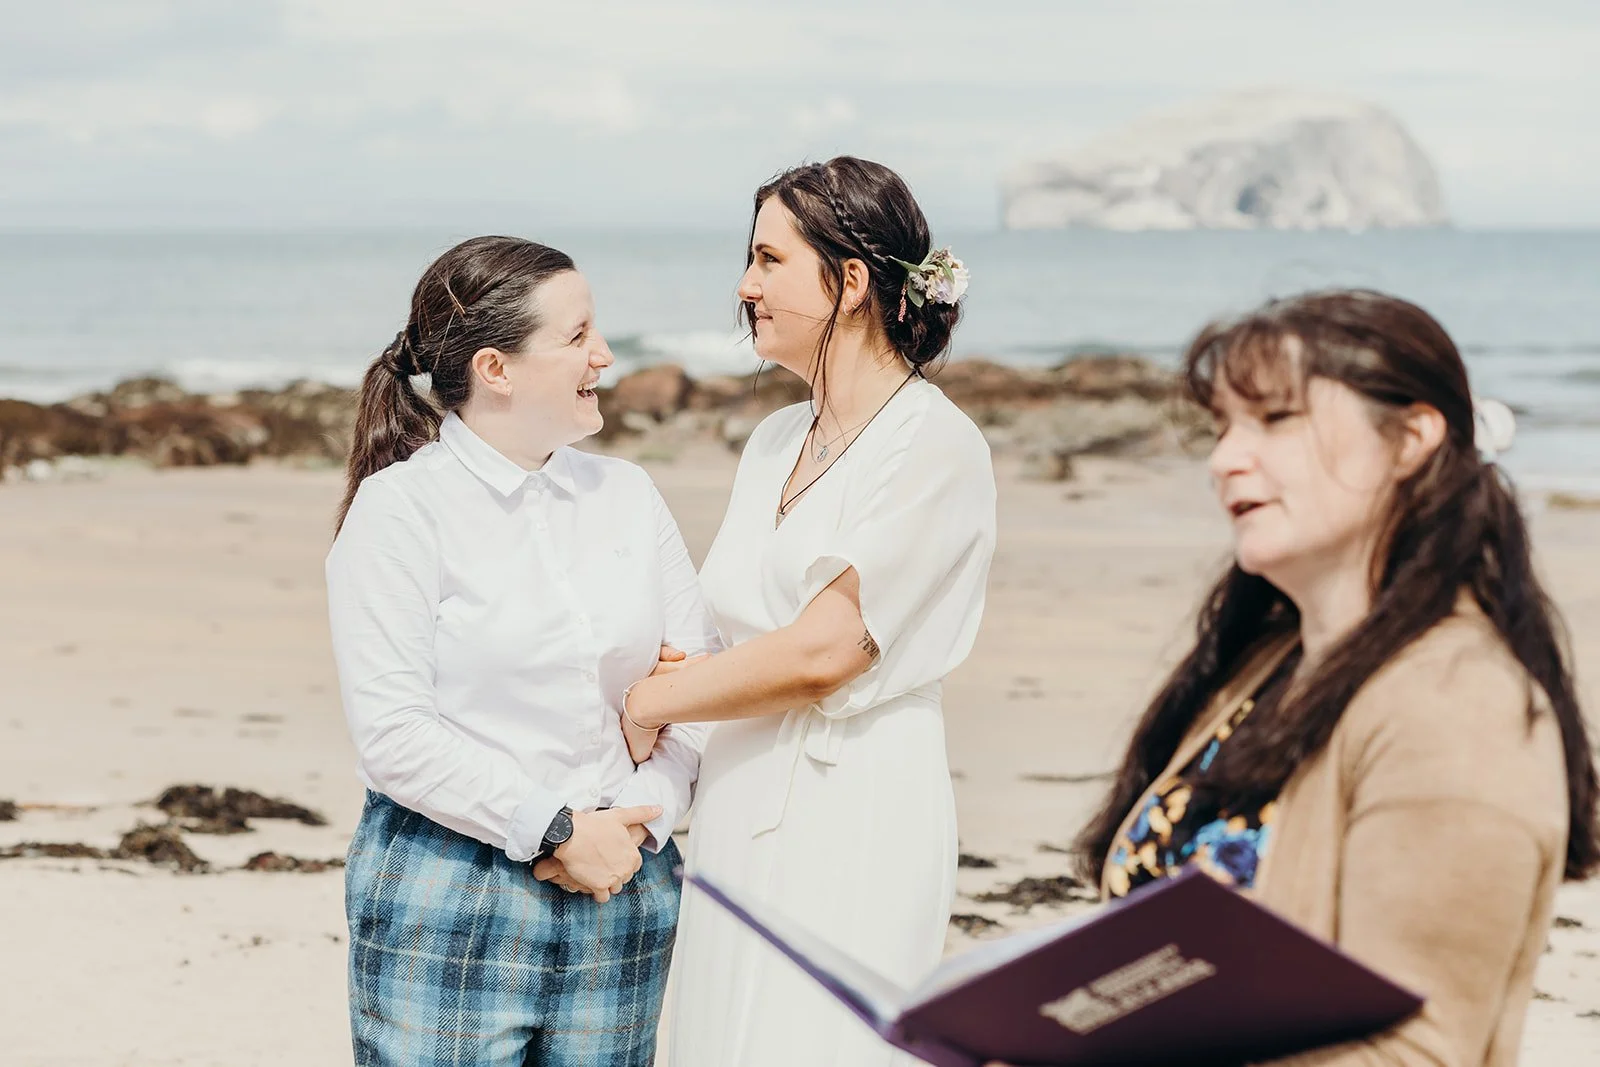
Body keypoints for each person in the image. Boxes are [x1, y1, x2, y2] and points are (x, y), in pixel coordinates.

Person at [1030, 289, 1596, 1067]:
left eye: (1275, 419)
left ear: (1410, 439)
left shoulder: (1458, 704)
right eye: (1223, 423)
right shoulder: (1270, 665)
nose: (1225, 456)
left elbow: (1417, 1054)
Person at [612, 156, 997, 1066]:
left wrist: (652, 701)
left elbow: (827, 649)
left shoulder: (933, 441)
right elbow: (726, 636)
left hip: (856, 792)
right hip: (742, 787)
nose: (746, 286)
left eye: (769, 260)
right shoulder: (776, 437)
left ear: (852, 282)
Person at [325, 236, 720, 1067]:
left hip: (627, 881)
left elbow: (697, 682)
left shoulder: (629, 495)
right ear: (495, 370)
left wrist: (640, 819)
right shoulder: (400, 512)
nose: (604, 356)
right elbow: (395, 734)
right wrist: (555, 827)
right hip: (453, 885)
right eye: (577, 337)